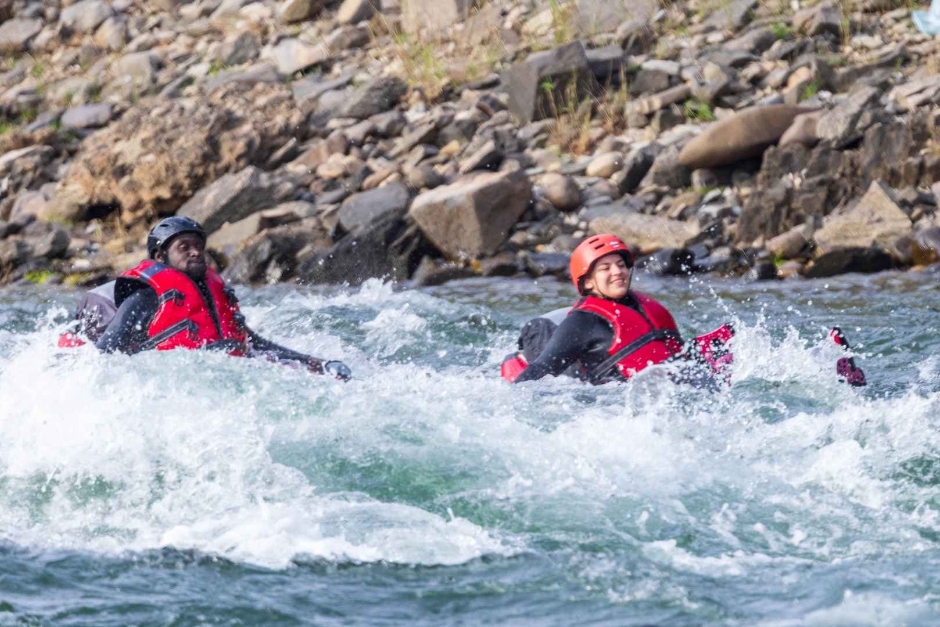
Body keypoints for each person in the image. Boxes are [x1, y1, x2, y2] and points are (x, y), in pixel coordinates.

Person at [60, 216, 351, 381]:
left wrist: (318, 364)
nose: (196, 252)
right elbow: (105, 355)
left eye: (199, 246)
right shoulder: (145, 297)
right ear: (161, 258)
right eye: (184, 247)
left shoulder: (215, 294)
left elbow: (254, 345)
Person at [500, 233, 735, 386]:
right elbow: (543, 367)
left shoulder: (647, 307)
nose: (617, 272)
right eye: (605, 268)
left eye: (621, 265)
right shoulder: (584, 322)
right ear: (588, 281)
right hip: (613, 404)